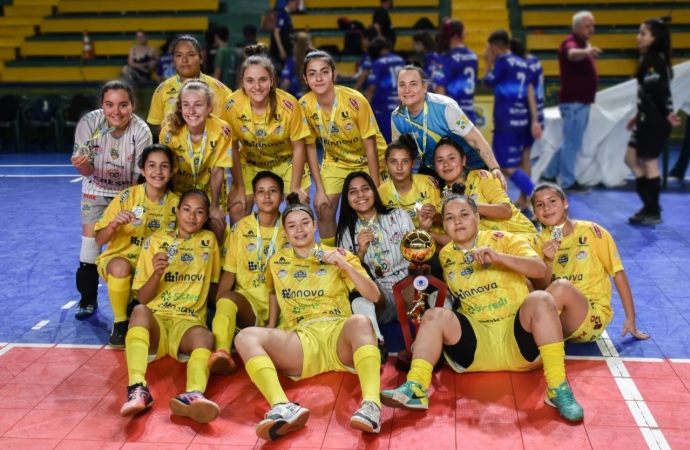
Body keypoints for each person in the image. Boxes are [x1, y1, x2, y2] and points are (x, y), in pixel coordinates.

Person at [380, 186, 584, 423]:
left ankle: (557, 388)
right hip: (476, 346)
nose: (457, 221)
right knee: (435, 315)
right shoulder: (446, 255)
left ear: (477, 218)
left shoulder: (505, 240)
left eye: (464, 214)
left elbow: (539, 268)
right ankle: (416, 387)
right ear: (444, 225)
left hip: (517, 339)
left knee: (541, 299)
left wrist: (498, 258)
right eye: (449, 218)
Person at [234, 193, 384, 440]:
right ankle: (282, 406)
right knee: (245, 337)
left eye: (305, 223)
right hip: (302, 340)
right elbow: (272, 293)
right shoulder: (277, 261)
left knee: (360, 321)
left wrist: (345, 265)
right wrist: (272, 325)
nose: (299, 229)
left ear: (315, 226)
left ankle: (371, 406)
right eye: (291, 226)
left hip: (338, 336)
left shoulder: (338, 254)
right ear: (285, 232)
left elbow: (374, 295)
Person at [121, 190, 221, 423]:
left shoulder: (209, 241)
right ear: (177, 211)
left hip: (187, 323)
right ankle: (137, 387)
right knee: (138, 312)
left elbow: (214, 285)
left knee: (206, 338)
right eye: (186, 209)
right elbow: (143, 299)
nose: (192, 216)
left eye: (199, 212)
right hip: (157, 320)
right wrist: (156, 273)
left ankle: (194, 393)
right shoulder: (155, 241)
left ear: (206, 217)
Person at [71, 80, 153, 319]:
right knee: (90, 246)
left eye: (123, 105)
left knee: (133, 245)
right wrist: (83, 165)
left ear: (133, 105)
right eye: (110, 105)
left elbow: (141, 178)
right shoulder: (89, 124)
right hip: (95, 189)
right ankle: (87, 299)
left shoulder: (142, 131)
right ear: (102, 105)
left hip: (129, 191)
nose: (116, 111)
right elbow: (86, 171)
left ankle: (133, 300)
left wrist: (127, 207)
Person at [531, 183, 650, 343]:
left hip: (591, 317)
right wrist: (549, 261)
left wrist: (630, 318)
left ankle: (526, 336)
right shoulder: (538, 242)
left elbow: (618, 274)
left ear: (565, 203)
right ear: (535, 214)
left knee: (562, 287)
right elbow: (542, 290)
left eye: (552, 201)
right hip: (558, 315)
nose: (547, 207)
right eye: (540, 205)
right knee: (523, 281)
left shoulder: (594, 232)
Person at [94, 144, 180, 348]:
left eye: (164, 166)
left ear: (172, 171)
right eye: (152, 165)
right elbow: (99, 240)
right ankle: (120, 321)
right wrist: (114, 224)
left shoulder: (178, 204)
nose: (157, 172)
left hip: (154, 268)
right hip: (124, 263)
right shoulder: (127, 197)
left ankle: (141, 305)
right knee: (120, 267)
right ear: (142, 170)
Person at [299, 48, 387, 246]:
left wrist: (375, 187)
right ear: (305, 78)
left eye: (324, 72)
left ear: (334, 75)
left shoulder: (356, 101)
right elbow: (310, 148)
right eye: (312, 73)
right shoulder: (304, 105)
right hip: (336, 161)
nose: (319, 78)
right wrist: (318, 190)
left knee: (377, 207)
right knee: (323, 207)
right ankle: (331, 257)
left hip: (372, 160)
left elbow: (371, 147)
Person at [209, 171, 290, 375]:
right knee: (226, 299)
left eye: (273, 191)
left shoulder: (290, 227)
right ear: (254, 197)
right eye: (261, 192)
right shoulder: (241, 228)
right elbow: (229, 271)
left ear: (282, 196)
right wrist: (222, 305)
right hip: (249, 303)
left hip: (281, 305)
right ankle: (222, 352)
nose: (267, 196)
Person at [222, 44, 311, 224]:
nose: (256, 86)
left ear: (271, 80)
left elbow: (299, 148)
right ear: (242, 82)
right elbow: (231, 147)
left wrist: (294, 187)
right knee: (238, 206)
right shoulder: (230, 105)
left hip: (286, 163)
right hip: (250, 163)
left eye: (262, 80)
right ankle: (242, 252)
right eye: (250, 81)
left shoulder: (289, 104)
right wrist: (239, 187)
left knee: (298, 208)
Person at [336, 171, 416, 360]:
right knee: (359, 296)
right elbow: (346, 276)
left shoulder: (399, 216)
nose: (361, 195)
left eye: (365, 189)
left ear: (374, 191)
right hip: (380, 300)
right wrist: (361, 252)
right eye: (353, 192)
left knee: (425, 281)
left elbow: (418, 254)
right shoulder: (346, 232)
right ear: (347, 200)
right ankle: (377, 344)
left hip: (408, 290)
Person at [391, 61, 507, 190]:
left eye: (413, 84)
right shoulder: (397, 118)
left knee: (470, 207)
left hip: (470, 166)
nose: (407, 90)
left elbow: (475, 139)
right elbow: (399, 154)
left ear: (425, 87)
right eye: (402, 85)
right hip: (435, 168)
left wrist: (495, 168)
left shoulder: (446, 108)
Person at [159, 79, 234, 243]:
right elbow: (171, 173)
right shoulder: (169, 133)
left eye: (198, 105)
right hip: (178, 192)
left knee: (217, 224)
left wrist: (214, 207)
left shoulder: (223, 130)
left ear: (209, 107)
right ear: (180, 107)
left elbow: (217, 171)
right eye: (186, 105)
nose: (191, 111)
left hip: (208, 192)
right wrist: (171, 204)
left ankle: (217, 266)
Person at [623, 16, 680, 224]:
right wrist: (637, 115)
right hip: (646, 119)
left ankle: (653, 210)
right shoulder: (651, 60)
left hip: (655, 121)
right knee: (630, 158)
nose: (638, 38)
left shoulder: (655, 60)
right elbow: (649, 94)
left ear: (654, 38)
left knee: (650, 164)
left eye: (643, 34)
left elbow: (658, 92)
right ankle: (650, 204)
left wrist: (667, 114)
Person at [433, 138, 536, 246]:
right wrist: (429, 227)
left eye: (451, 158)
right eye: (440, 160)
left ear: (463, 160)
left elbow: (506, 211)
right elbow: (458, 240)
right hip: (487, 253)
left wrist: (467, 206)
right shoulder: (443, 200)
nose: (446, 164)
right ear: (435, 167)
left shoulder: (482, 177)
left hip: (519, 239)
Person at [540, 11, 601, 194]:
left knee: (569, 142)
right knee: (572, 144)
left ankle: (549, 173)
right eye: (588, 25)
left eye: (592, 25)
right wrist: (588, 52)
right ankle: (568, 181)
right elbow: (572, 54)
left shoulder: (581, 43)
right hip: (575, 102)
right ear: (576, 27)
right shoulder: (571, 43)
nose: (592, 29)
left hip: (579, 101)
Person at [482, 30, 536, 208]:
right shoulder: (522, 62)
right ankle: (502, 202)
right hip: (522, 119)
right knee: (515, 161)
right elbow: (530, 92)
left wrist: (488, 62)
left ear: (495, 48)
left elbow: (486, 83)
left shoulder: (501, 61)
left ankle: (539, 197)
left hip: (506, 120)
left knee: (504, 165)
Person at [148, 35, 232, 129]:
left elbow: (231, 124)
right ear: (174, 59)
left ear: (201, 58)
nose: (184, 60)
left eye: (190, 55)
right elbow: (156, 123)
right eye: (179, 55)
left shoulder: (220, 89)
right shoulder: (162, 89)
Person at [379, 134, 441, 230]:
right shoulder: (381, 192)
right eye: (393, 162)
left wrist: (435, 217)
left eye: (405, 161)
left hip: (435, 240)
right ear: (385, 163)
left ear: (413, 163)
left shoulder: (428, 183)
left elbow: (445, 222)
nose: (399, 168)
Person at [510, 38, 545, 209]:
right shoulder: (534, 61)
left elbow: (526, 91)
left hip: (526, 115)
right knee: (525, 158)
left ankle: (527, 197)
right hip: (537, 111)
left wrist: (533, 120)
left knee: (521, 159)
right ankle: (524, 197)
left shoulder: (520, 66)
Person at [432, 19, 477, 124]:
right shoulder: (473, 56)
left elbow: (440, 92)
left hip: (453, 119)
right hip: (469, 116)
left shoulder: (445, 58)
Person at [366, 37, 405, 142]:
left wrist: (365, 107)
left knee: (386, 143)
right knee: (401, 143)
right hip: (400, 106)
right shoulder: (400, 60)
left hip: (383, 108)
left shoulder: (378, 63)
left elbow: (371, 87)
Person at [280, 31, 310, 100]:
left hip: (294, 102)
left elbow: (285, 84)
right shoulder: (314, 60)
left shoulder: (291, 61)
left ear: (296, 45)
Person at [270, 0, 299, 68]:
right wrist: (281, 50)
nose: (297, 7)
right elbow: (276, 32)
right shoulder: (283, 14)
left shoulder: (287, 15)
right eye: (296, 4)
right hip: (281, 51)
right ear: (291, 2)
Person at [353, 26, 378, 92]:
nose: (361, 41)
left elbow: (365, 73)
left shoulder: (370, 54)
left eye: (362, 39)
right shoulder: (380, 52)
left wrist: (354, 91)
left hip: (372, 91)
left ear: (367, 39)